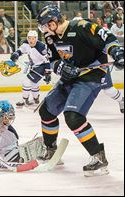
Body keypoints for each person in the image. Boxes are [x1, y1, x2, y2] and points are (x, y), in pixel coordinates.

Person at [36, 5, 124, 176]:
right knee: (46, 111)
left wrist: (118, 53)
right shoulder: (50, 36)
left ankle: (98, 157)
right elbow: (53, 60)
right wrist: (61, 68)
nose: (44, 29)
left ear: (54, 22)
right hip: (71, 77)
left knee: (73, 117)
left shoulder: (81, 26)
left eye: (46, 25)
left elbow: (107, 39)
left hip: (91, 75)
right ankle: (51, 149)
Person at [10, 30, 51, 107]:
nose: (31, 40)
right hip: (33, 66)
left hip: (41, 66)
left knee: (26, 81)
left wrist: (48, 73)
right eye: (29, 38)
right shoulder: (26, 43)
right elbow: (21, 50)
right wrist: (16, 54)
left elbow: (47, 60)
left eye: (33, 38)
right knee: (34, 83)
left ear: (36, 38)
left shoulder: (41, 47)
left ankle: (24, 99)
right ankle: (36, 98)